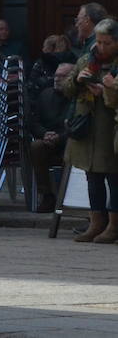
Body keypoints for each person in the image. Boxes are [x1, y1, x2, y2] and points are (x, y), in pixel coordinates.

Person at [61, 18, 118, 242]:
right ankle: (96, 223)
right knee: (92, 178)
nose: (101, 47)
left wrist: (103, 92)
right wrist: (77, 79)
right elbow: (65, 89)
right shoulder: (87, 59)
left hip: (109, 129)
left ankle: (114, 226)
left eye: (106, 43)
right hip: (86, 128)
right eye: (99, 42)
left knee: (114, 178)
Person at [27, 61, 73, 214]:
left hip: (70, 141)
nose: (57, 79)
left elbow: (79, 125)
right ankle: (47, 195)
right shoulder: (45, 95)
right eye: (56, 75)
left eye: (62, 76)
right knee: (36, 147)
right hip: (48, 141)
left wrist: (60, 137)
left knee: (72, 149)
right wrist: (44, 133)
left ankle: (67, 197)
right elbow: (34, 122)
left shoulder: (78, 97)